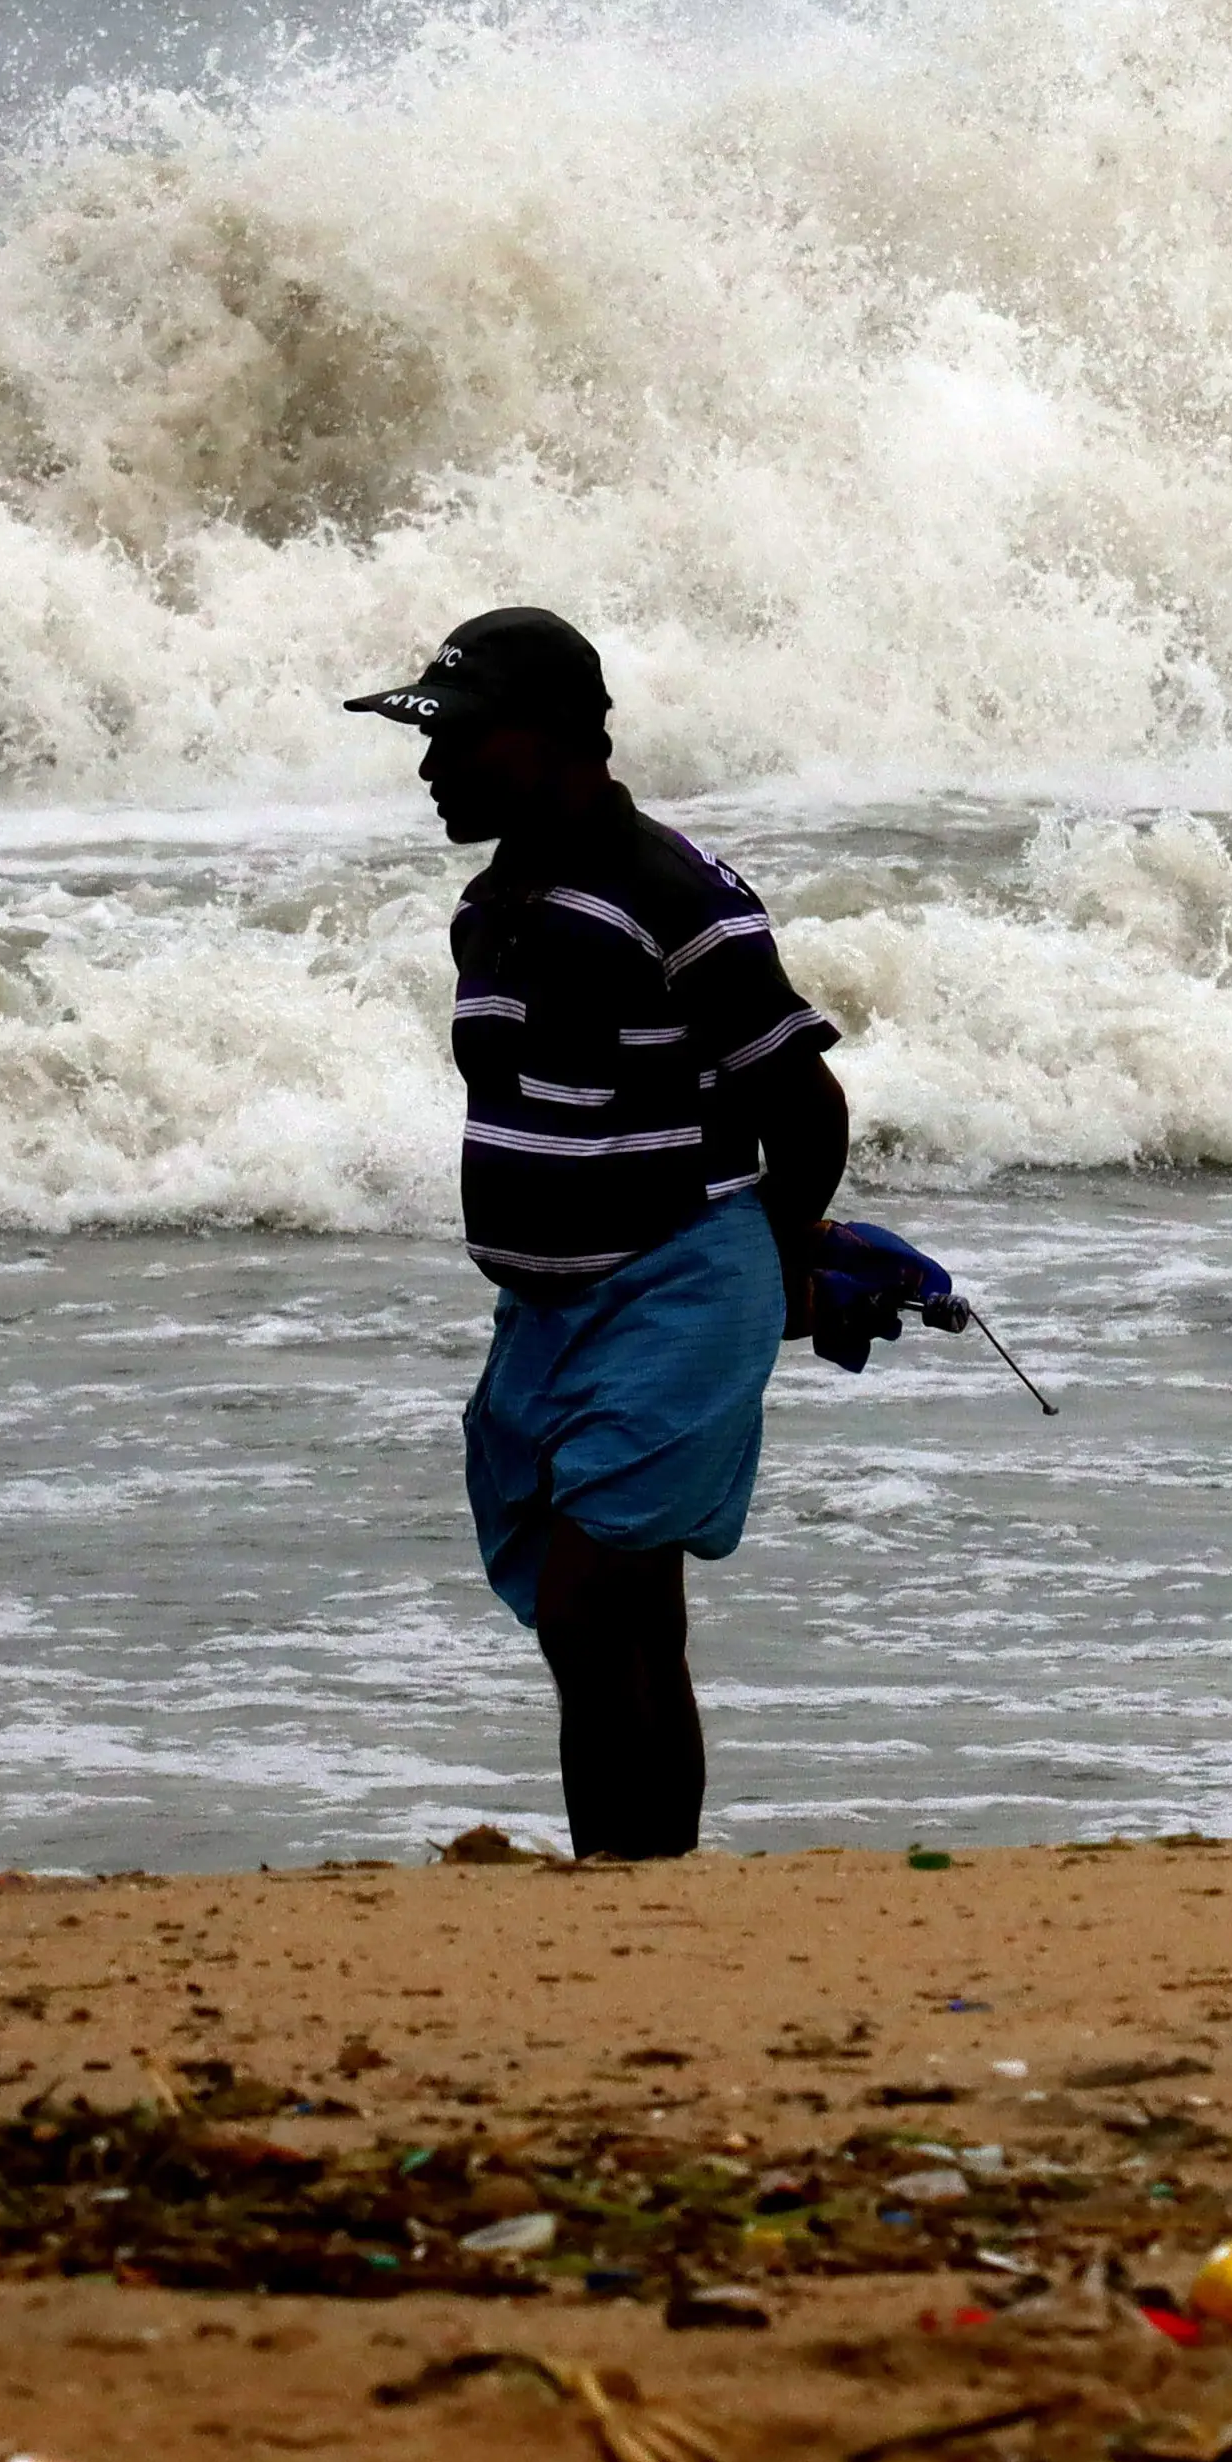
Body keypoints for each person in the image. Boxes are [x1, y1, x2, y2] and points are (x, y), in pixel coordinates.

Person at [346, 604, 848, 1863]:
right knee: (623, 1627)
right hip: (548, 1313)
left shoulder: (673, 896)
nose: (431, 767)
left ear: (557, 736)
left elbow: (804, 1104)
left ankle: (629, 1875)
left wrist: (783, 1257)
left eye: (459, 740)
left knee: (587, 1606)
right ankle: (636, 1885)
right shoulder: (494, 905)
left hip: (680, 1284)